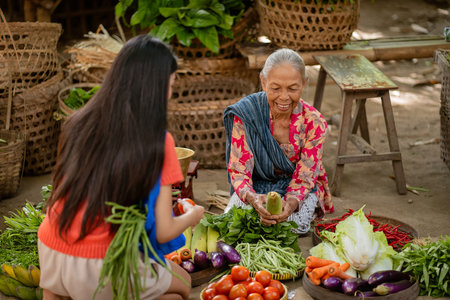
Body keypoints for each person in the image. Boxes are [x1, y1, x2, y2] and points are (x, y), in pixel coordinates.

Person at [37, 35, 204, 300]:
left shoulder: (78, 122)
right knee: (182, 285)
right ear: (155, 88)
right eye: (170, 85)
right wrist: (193, 216)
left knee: (60, 291)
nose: (170, 94)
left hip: (51, 248)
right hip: (105, 263)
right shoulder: (158, 143)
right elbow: (163, 230)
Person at [223, 48, 333, 234]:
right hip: (257, 184)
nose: (284, 97)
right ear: (263, 82)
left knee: (294, 226)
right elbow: (239, 169)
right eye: (275, 88)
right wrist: (252, 198)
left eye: (292, 88)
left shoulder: (314, 122)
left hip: (296, 187)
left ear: (304, 84)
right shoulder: (247, 114)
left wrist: (290, 204)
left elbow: (305, 177)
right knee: (235, 221)